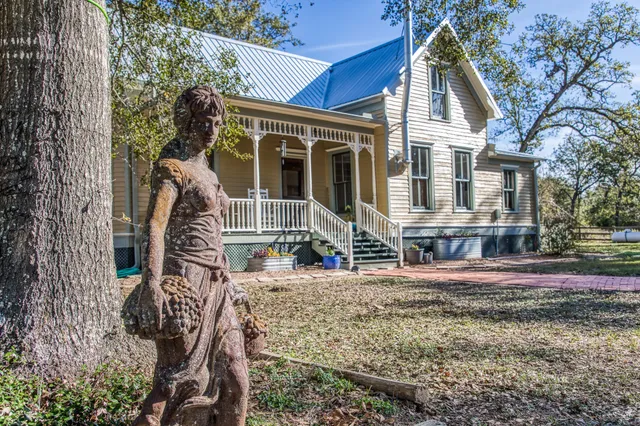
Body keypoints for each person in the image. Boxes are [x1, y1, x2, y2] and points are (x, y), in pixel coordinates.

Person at [133, 86, 249, 426]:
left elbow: (215, 232)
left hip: (216, 282)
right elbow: (155, 225)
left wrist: (230, 281)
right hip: (184, 282)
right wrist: (151, 284)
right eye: (204, 122)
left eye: (217, 123)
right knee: (180, 379)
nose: (211, 131)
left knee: (237, 377)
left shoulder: (210, 173)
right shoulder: (171, 169)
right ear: (186, 122)